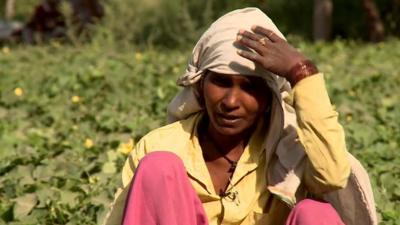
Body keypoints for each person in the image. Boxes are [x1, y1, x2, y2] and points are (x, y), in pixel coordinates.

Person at [103, 8, 377, 225]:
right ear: (199, 86)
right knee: (158, 167)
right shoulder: (160, 146)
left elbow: (332, 177)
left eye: (250, 87)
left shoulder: (289, 151)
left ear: (269, 99)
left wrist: (301, 72)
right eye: (221, 82)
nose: (231, 102)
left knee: (317, 215)